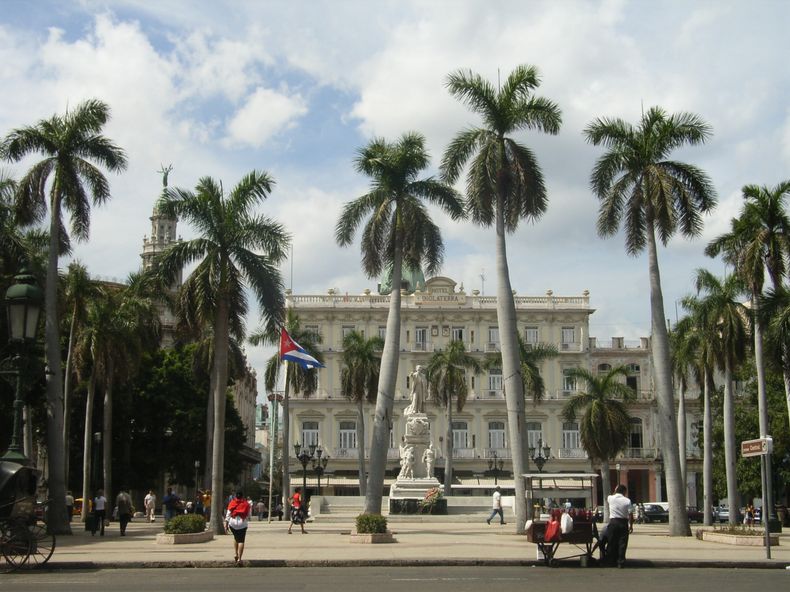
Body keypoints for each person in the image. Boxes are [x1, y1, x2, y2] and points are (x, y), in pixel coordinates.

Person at [606, 484, 633, 568]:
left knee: (611, 542)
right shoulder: (627, 501)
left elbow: (613, 494)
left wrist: (615, 489)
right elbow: (631, 514)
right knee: (622, 543)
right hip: (623, 523)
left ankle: (611, 561)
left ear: (616, 490)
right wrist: (631, 525)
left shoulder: (610, 498)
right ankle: (620, 562)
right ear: (624, 492)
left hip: (613, 522)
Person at [224, 490, 251, 567]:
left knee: (236, 538)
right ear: (242, 496)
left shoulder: (232, 502)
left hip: (232, 523)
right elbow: (248, 515)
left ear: (236, 496)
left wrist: (226, 525)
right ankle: (239, 559)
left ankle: (235, 553)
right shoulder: (246, 504)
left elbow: (228, 514)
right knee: (241, 541)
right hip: (242, 523)